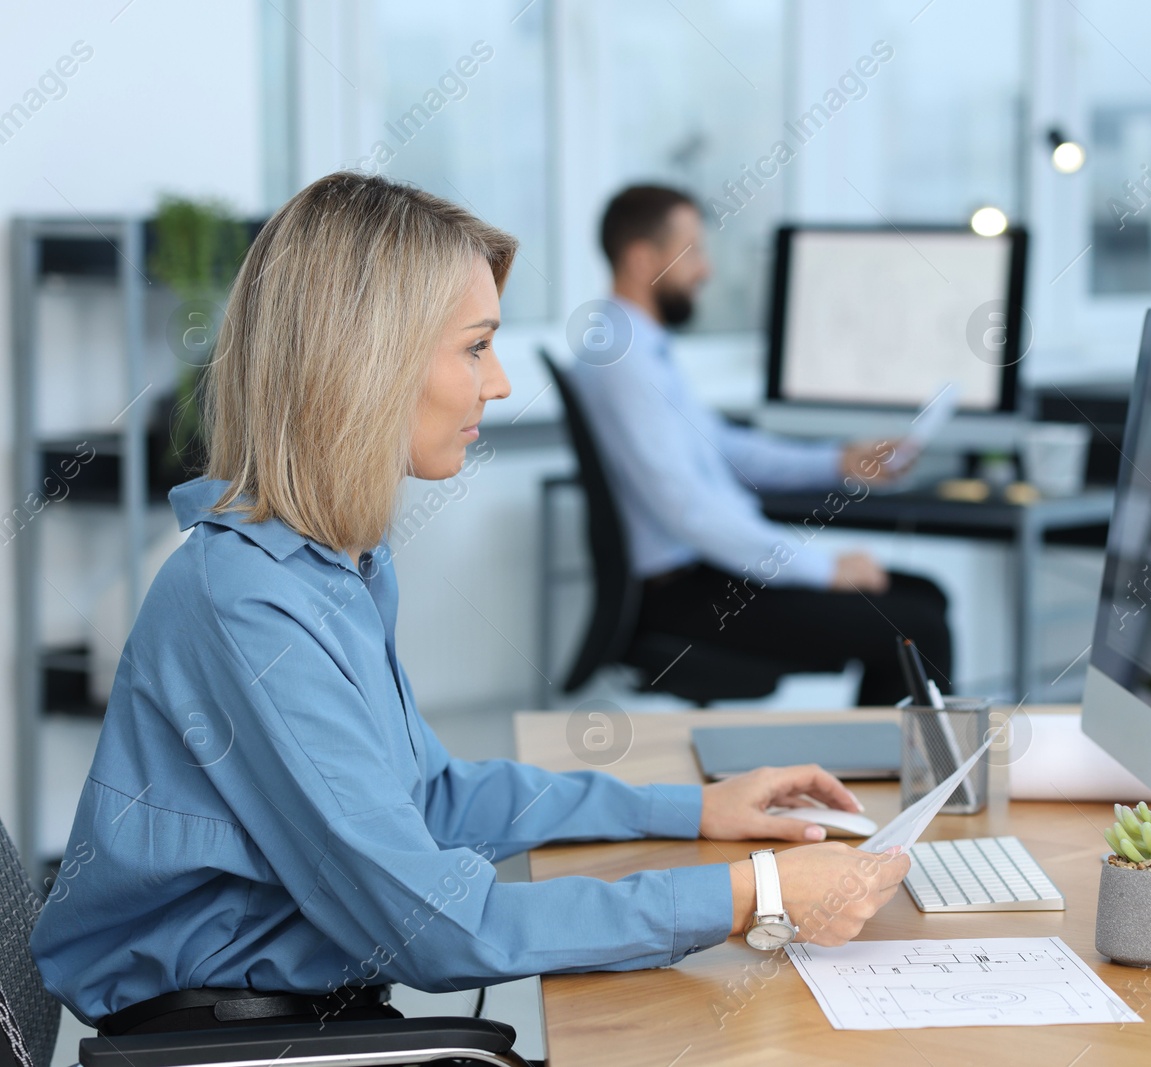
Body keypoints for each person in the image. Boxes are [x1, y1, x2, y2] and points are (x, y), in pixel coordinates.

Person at [29, 172, 910, 1032]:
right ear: (368, 361)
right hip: (231, 1040)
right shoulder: (247, 605)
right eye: (476, 346)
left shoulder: (334, 566)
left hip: (293, 1012)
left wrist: (694, 809)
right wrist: (749, 894)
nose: (497, 384)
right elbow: (441, 926)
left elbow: (435, 800)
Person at [568, 185, 953, 706]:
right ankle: (905, 779)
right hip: (689, 594)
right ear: (642, 260)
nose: (705, 271)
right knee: (916, 627)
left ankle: (879, 771)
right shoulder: (623, 363)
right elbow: (689, 511)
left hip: (705, 574)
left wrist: (837, 461)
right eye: (693, 252)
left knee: (922, 599)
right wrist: (824, 568)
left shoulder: (635, 347)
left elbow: (724, 448)